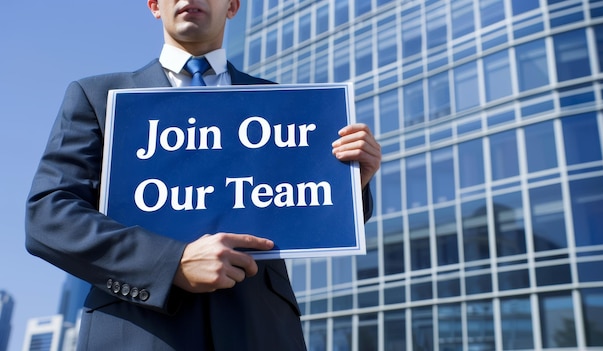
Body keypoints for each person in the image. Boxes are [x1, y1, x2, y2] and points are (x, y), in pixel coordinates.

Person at [25, 0, 382, 350]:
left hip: (260, 328)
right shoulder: (97, 97)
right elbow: (48, 216)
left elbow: (307, 208)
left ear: (232, 6)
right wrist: (170, 263)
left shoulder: (285, 106)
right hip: (138, 331)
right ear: (154, 5)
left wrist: (351, 182)